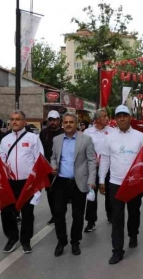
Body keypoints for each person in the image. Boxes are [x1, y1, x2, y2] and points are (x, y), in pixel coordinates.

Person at [99, 105, 143, 265]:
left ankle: (133, 233)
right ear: (115, 118)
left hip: (134, 184)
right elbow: (105, 159)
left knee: (134, 213)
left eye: (125, 116)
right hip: (115, 183)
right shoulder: (109, 137)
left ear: (130, 117)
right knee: (117, 218)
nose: (122, 118)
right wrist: (101, 180)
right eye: (119, 116)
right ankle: (117, 250)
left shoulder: (140, 136)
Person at [50, 113, 96, 257]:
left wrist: (91, 180)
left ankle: (75, 241)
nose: (68, 124)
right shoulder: (56, 140)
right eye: (66, 122)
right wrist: (53, 167)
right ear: (62, 124)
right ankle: (61, 241)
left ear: (76, 124)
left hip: (79, 182)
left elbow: (91, 161)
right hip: (61, 182)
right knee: (58, 213)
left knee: (78, 215)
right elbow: (53, 157)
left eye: (71, 122)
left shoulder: (86, 139)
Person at [0, 110, 44, 254]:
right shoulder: (5, 139)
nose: (14, 122)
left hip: (27, 182)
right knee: (6, 212)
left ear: (24, 121)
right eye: (12, 119)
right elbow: (1, 158)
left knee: (27, 213)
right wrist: (1, 166)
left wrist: (37, 183)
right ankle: (12, 237)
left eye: (18, 119)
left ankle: (26, 240)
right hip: (9, 182)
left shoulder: (33, 138)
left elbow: (40, 159)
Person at [84, 109, 114, 231]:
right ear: (97, 120)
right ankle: (91, 222)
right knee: (92, 195)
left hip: (109, 168)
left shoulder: (112, 131)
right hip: (93, 168)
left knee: (110, 194)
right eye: (104, 116)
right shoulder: (88, 132)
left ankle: (111, 216)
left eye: (107, 115)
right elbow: (83, 148)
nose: (107, 118)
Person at [40, 110, 63, 225]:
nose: (52, 122)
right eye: (50, 120)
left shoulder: (64, 132)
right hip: (48, 168)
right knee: (50, 193)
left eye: (55, 120)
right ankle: (54, 215)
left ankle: (60, 214)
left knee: (61, 193)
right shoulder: (44, 133)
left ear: (59, 120)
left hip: (62, 168)